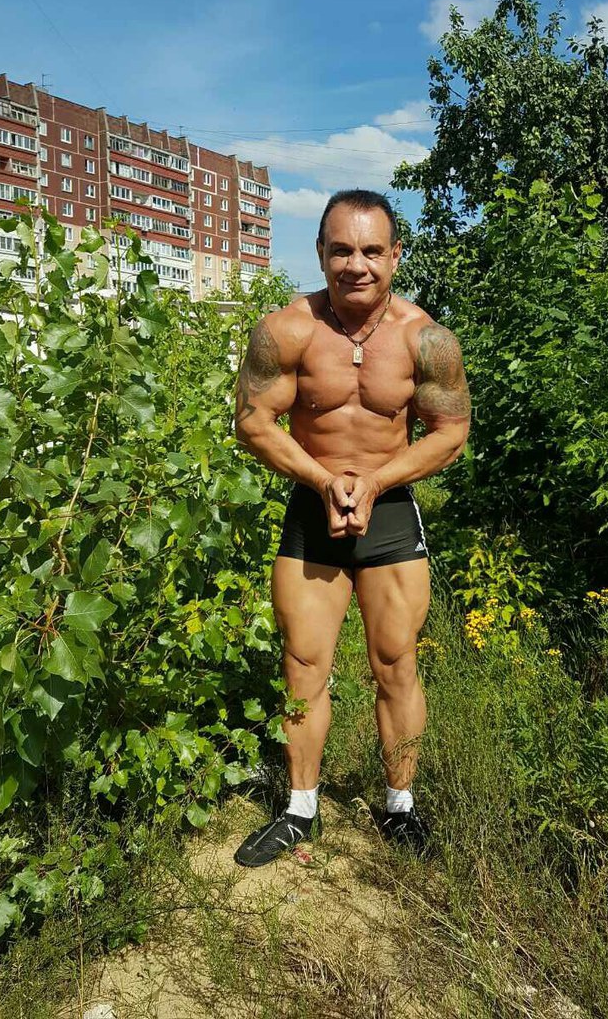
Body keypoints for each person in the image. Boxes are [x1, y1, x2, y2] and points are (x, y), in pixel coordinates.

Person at [232, 189, 470, 867]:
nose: (355, 264)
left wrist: (374, 482)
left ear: (395, 255)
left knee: (395, 663)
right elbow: (253, 423)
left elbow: (450, 432)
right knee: (304, 663)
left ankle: (400, 807)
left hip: (388, 511)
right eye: (341, 250)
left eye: (370, 250)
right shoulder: (287, 331)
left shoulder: (426, 339)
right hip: (314, 508)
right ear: (320, 253)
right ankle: (299, 809)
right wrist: (322, 479)